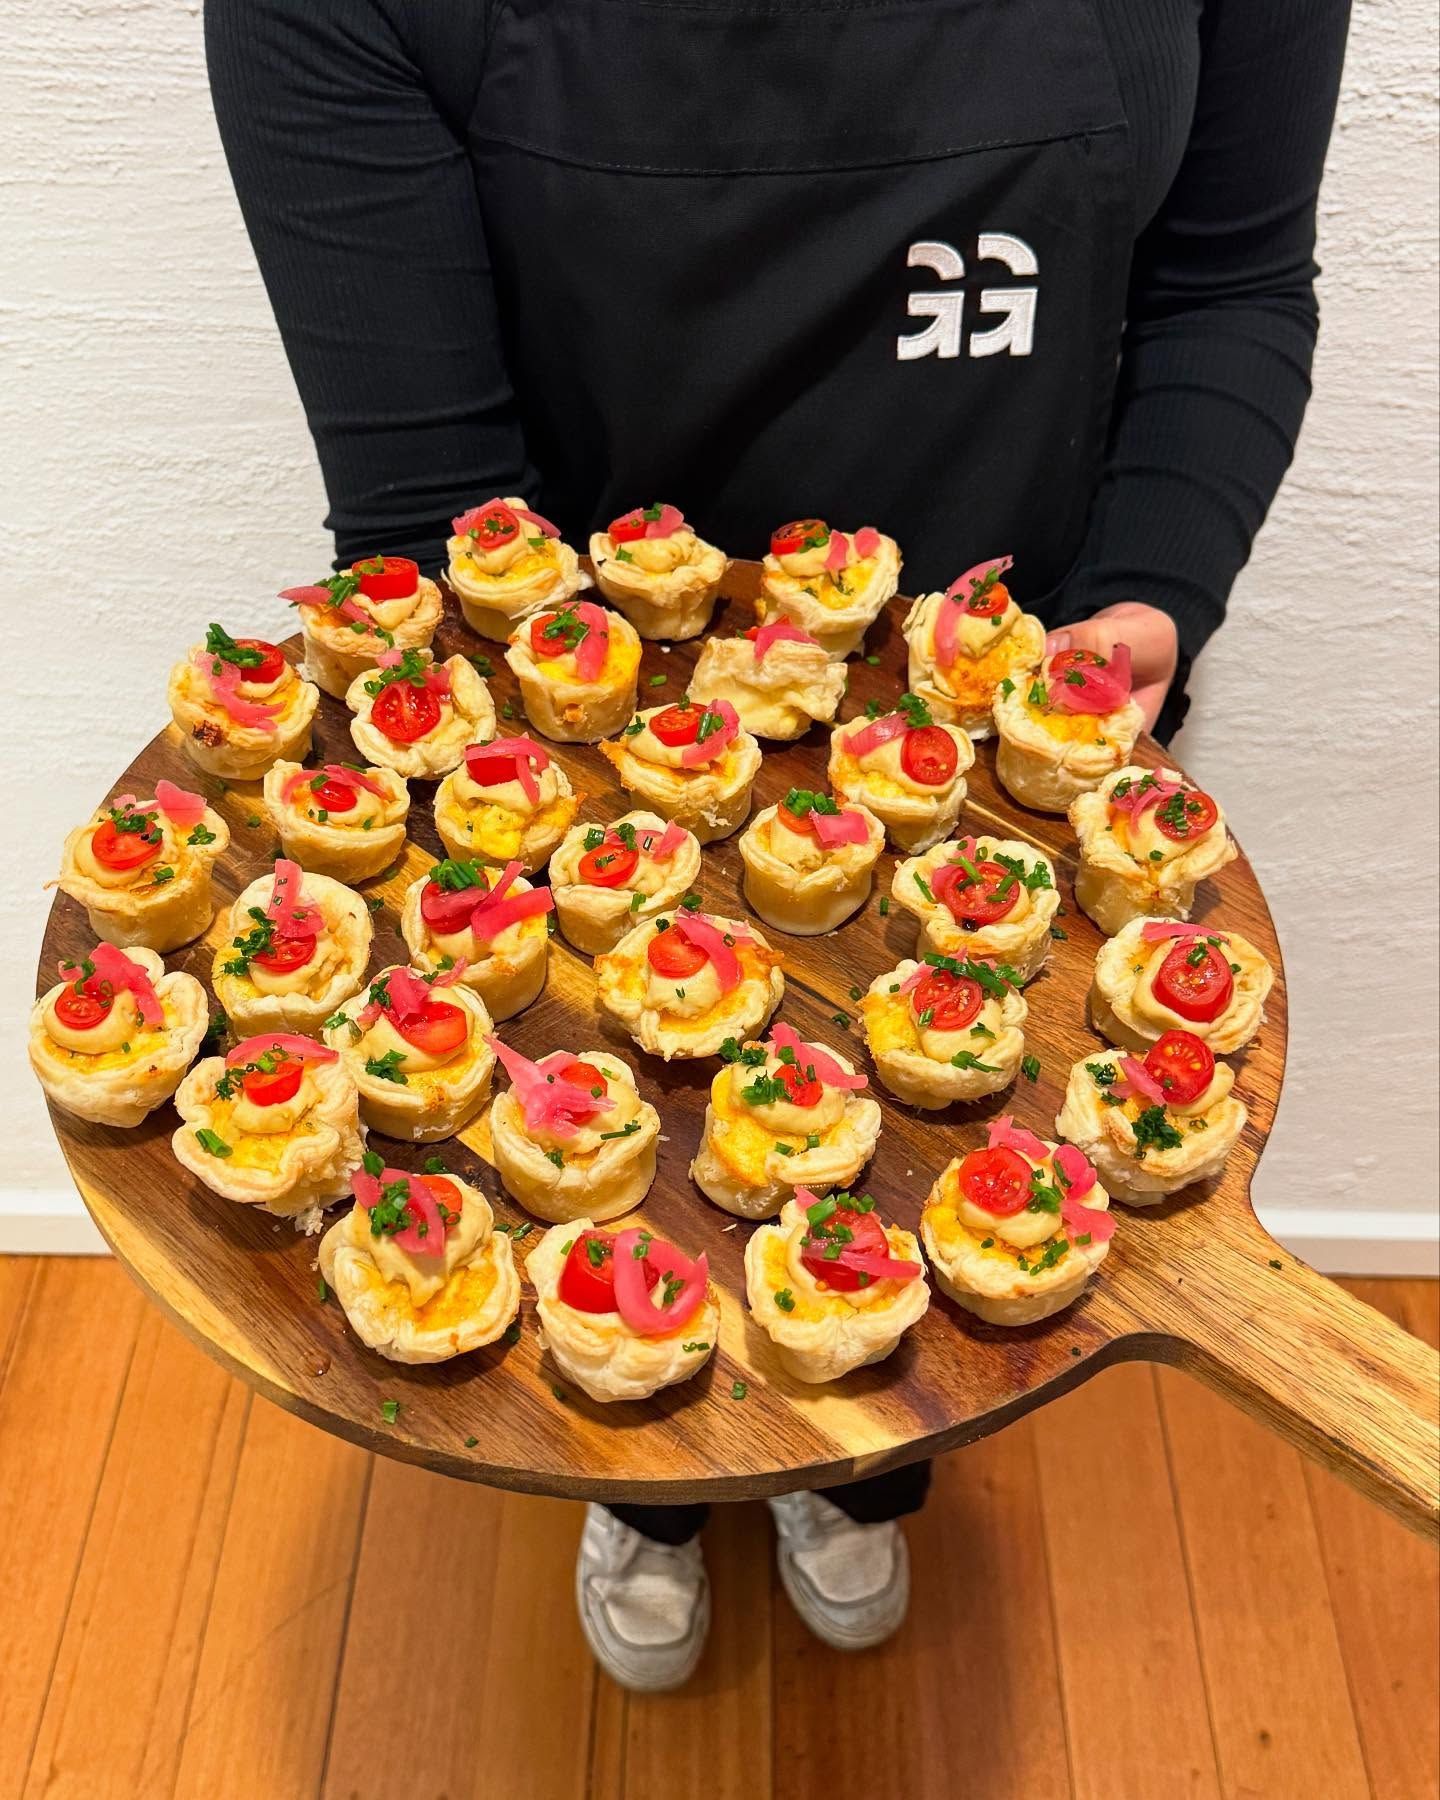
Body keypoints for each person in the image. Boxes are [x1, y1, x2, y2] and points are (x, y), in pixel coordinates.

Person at [208, 0, 1349, 1689]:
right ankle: (652, 1465)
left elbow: (1228, 281)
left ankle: (861, 1458)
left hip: (1010, 744)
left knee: (919, 1193)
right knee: (618, 1169)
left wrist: (1146, 598)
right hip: (586, 759)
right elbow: (434, 507)